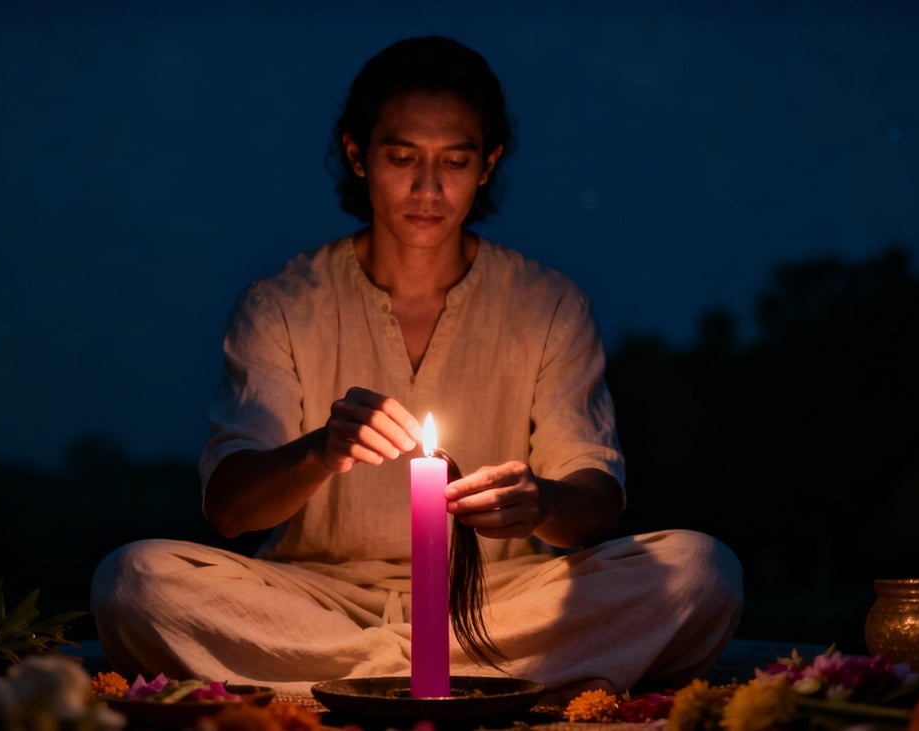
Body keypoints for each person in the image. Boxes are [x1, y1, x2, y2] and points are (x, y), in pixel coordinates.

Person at [91, 34, 742, 704]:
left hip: (492, 600)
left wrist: (539, 502)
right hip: (319, 600)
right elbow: (229, 509)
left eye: (454, 161)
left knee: (702, 570)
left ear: (488, 163)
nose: (427, 189)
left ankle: (354, 681)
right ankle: (458, 678)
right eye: (401, 157)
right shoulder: (283, 304)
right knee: (132, 579)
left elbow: (597, 504)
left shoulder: (546, 304)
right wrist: (322, 448)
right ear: (357, 155)